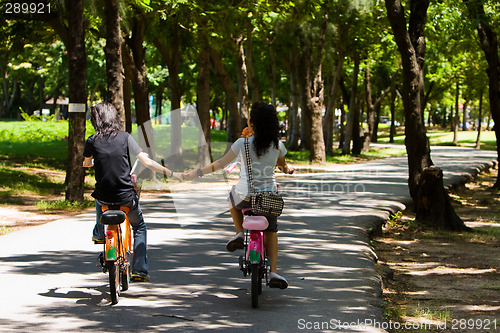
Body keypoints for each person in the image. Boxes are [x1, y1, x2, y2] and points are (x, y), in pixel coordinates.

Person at [183, 101, 293, 289]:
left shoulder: (242, 143)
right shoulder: (277, 145)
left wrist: (196, 173)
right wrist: (289, 168)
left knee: (232, 196)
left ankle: (240, 233)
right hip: (268, 199)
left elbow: (219, 164)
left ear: (253, 122)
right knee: (272, 231)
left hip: (245, 198)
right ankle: (273, 270)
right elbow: (283, 166)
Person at [83, 102, 182, 282]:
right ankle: (139, 270)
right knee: (139, 227)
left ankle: (99, 233)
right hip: (126, 198)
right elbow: (148, 162)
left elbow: (86, 163)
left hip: (104, 197)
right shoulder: (125, 137)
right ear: (114, 118)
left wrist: (90, 162)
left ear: (96, 120)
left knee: (98, 197)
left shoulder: (92, 140)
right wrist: (171, 173)